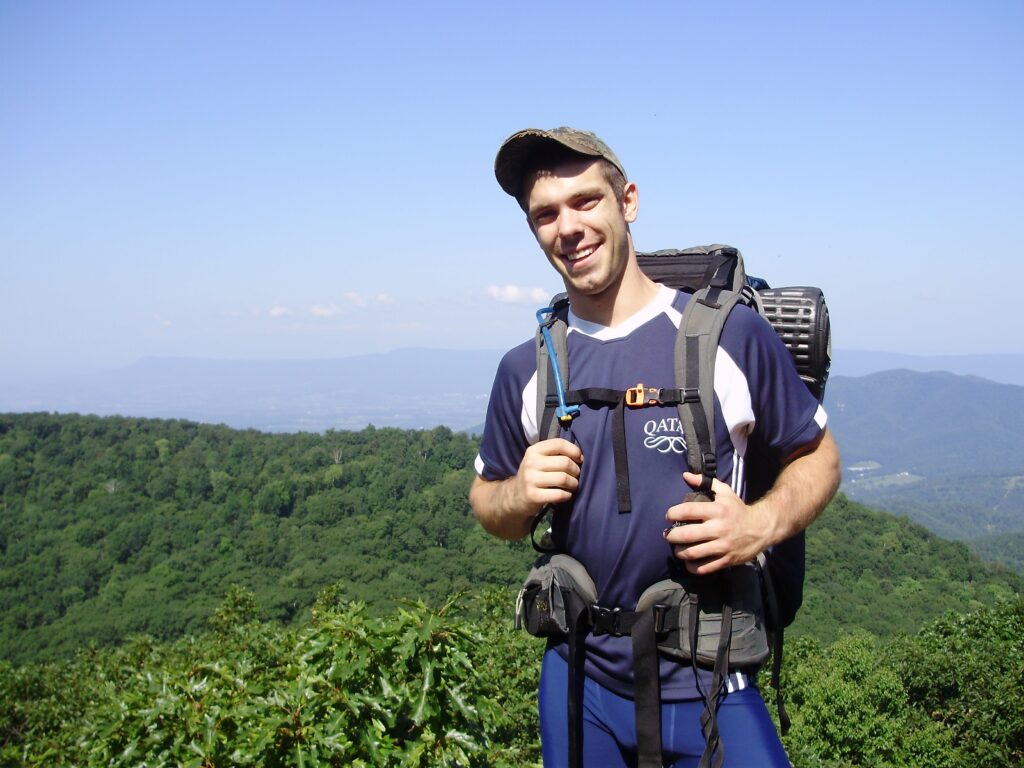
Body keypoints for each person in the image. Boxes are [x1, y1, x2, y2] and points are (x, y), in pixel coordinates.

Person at [469, 127, 841, 767]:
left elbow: (821, 457)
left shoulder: (731, 338)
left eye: (586, 202)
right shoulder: (527, 368)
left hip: (708, 676)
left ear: (628, 202)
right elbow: (487, 502)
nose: (568, 227)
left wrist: (758, 525)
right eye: (545, 215)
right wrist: (517, 493)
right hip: (576, 674)